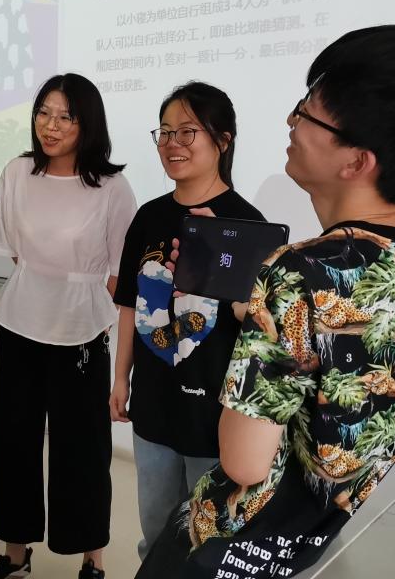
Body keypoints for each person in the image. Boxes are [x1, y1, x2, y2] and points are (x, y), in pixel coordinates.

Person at [137, 25, 395, 578]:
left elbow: (244, 463)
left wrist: (267, 308)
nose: (291, 121)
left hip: (232, 545)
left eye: (307, 113)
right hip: (314, 533)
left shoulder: (296, 274)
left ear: (357, 161)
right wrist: (258, 305)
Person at [0, 74, 137, 579]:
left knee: (83, 450)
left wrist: (85, 304)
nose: (50, 125)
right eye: (43, 113)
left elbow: (121, 272)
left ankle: (92, 560)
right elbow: (16, 250)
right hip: (19, 324)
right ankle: (15, 555)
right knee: (14, 442)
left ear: (87, 123)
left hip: (82, 333)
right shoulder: (17, 172)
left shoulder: (111, 188)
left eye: (65, 116)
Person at [109, 82, 264, 561]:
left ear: (223, 140)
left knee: (209, 543)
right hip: (154, 404)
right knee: (156, 533)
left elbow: (260, 330)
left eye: (187, 131)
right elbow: (130, 303)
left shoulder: (248, 225)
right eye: (165, 132)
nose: (172, 143)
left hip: (215, 415)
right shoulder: (148, 217)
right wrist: (120, 377)